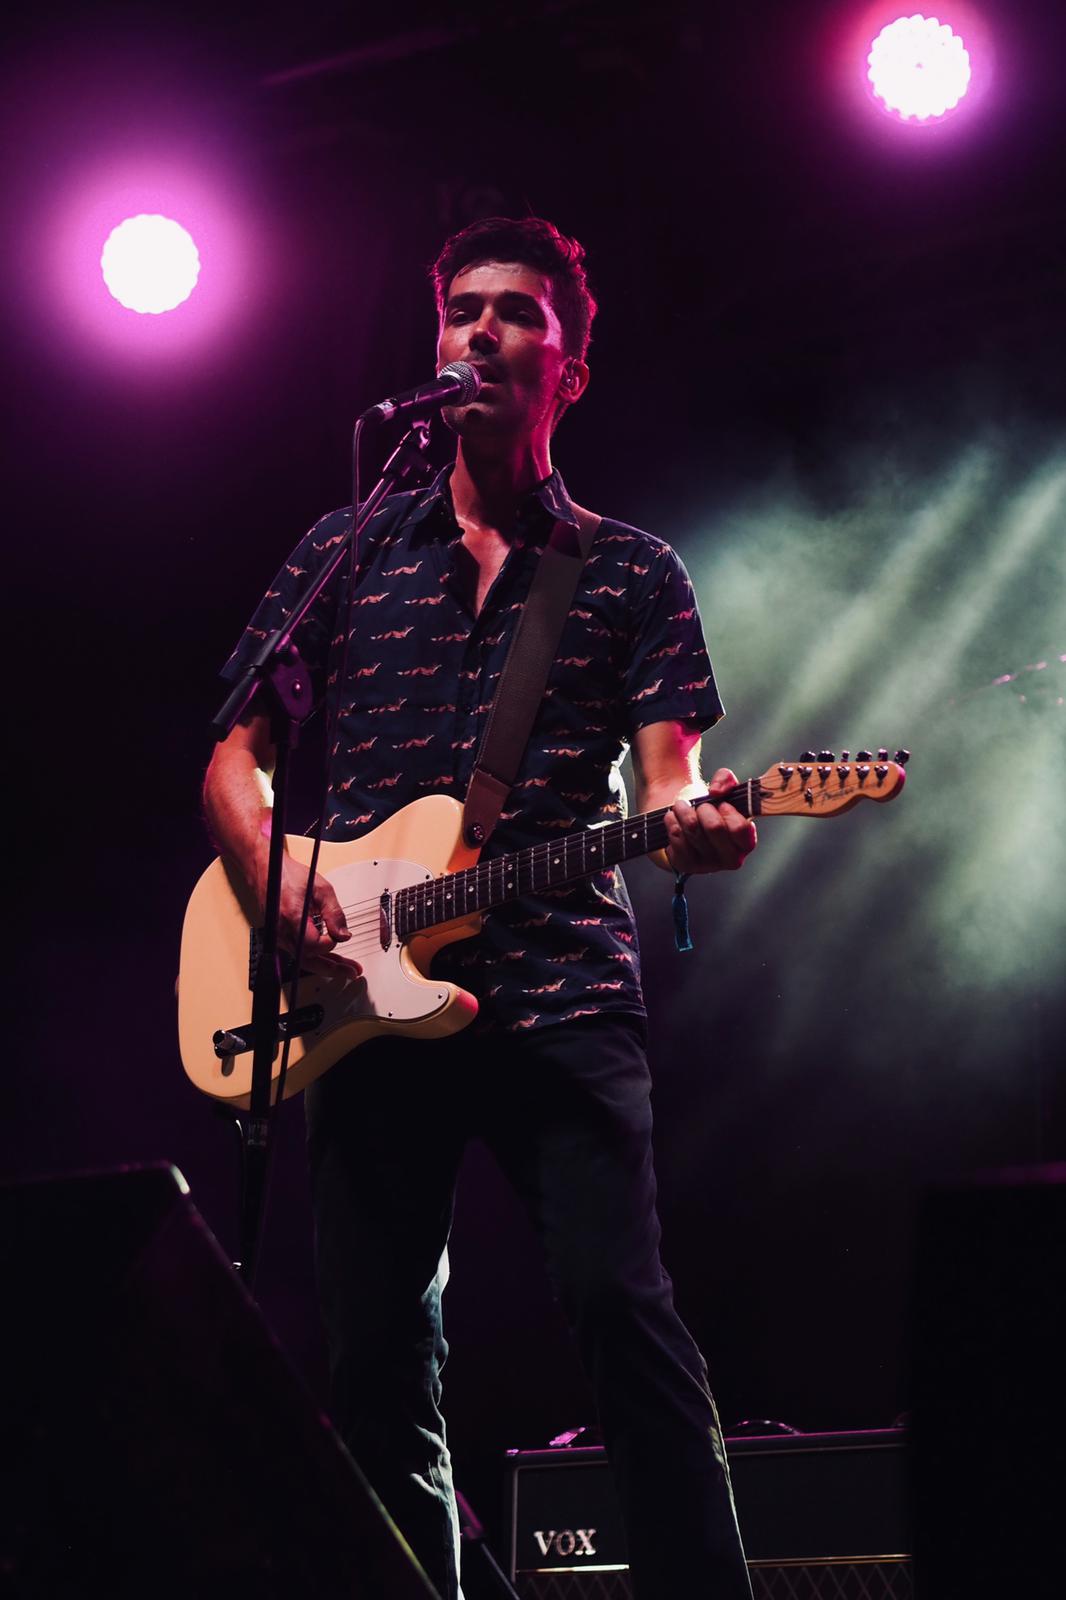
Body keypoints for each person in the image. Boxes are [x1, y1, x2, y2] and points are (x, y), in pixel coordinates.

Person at [204, 216, 757, 1600]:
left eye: (516, 312)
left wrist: (695, 831)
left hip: (563, 992)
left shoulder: (629, 570)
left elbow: (667, 783)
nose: (481, 331)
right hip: (364, 1006)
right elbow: (231, 753)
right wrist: (279, 883)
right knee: (376, 1363)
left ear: (567, 364)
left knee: (621, 1318)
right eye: (460, 309)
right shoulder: (346, 550)